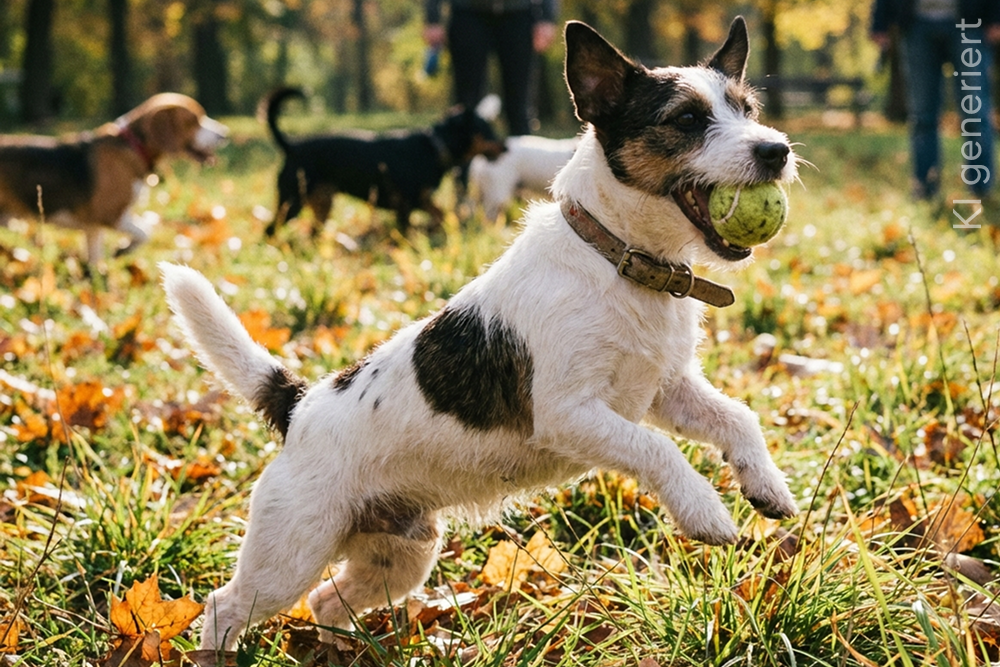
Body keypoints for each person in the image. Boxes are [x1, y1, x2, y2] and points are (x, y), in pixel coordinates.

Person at [871, 0, 1000, 200]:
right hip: (916, 23)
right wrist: (880, 21)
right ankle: (925, 188)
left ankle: (981, 190)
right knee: (922, 115)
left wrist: (995, 15)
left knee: (975, 112)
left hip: (971, 21)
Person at [423, 0, 559, 136]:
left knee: (519, 105)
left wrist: (547, 16)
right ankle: (463, 155)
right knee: (466, 103)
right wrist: (433, 17)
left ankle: (522, 154)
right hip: (466, 14)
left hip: (520, 15)